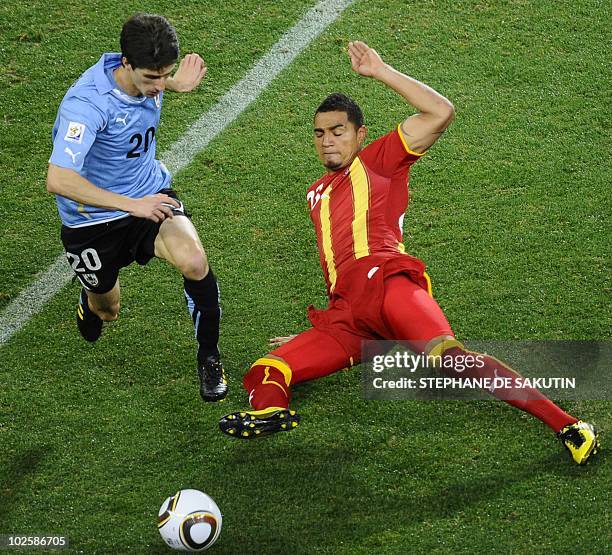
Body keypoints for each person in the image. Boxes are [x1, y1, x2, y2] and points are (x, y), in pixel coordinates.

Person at [219, 41, 600, 465]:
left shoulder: (377, 162)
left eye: (338, 131)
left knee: (450, 361)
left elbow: (440, 112)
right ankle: (270, 411)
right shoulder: (315, 193)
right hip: (347, 313)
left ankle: (569, 425)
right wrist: (320, 335)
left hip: (386, 284)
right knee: (266, 369)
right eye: (320, 133)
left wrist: (382, 72)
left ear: (360, 135)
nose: (327, 141)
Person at [46, 14, 227, 402]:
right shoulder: (86, 106)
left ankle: (209, 356)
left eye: (166, 76)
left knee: (194, 261)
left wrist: (175, 84)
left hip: (150, 193)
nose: (159, 87)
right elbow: (59, 180)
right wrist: (133, 206)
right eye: (152, 79)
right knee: (108, 310)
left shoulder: (147, 75)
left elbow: (156, 82)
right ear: (126, 64)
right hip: (91, 221)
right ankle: (89, 303)